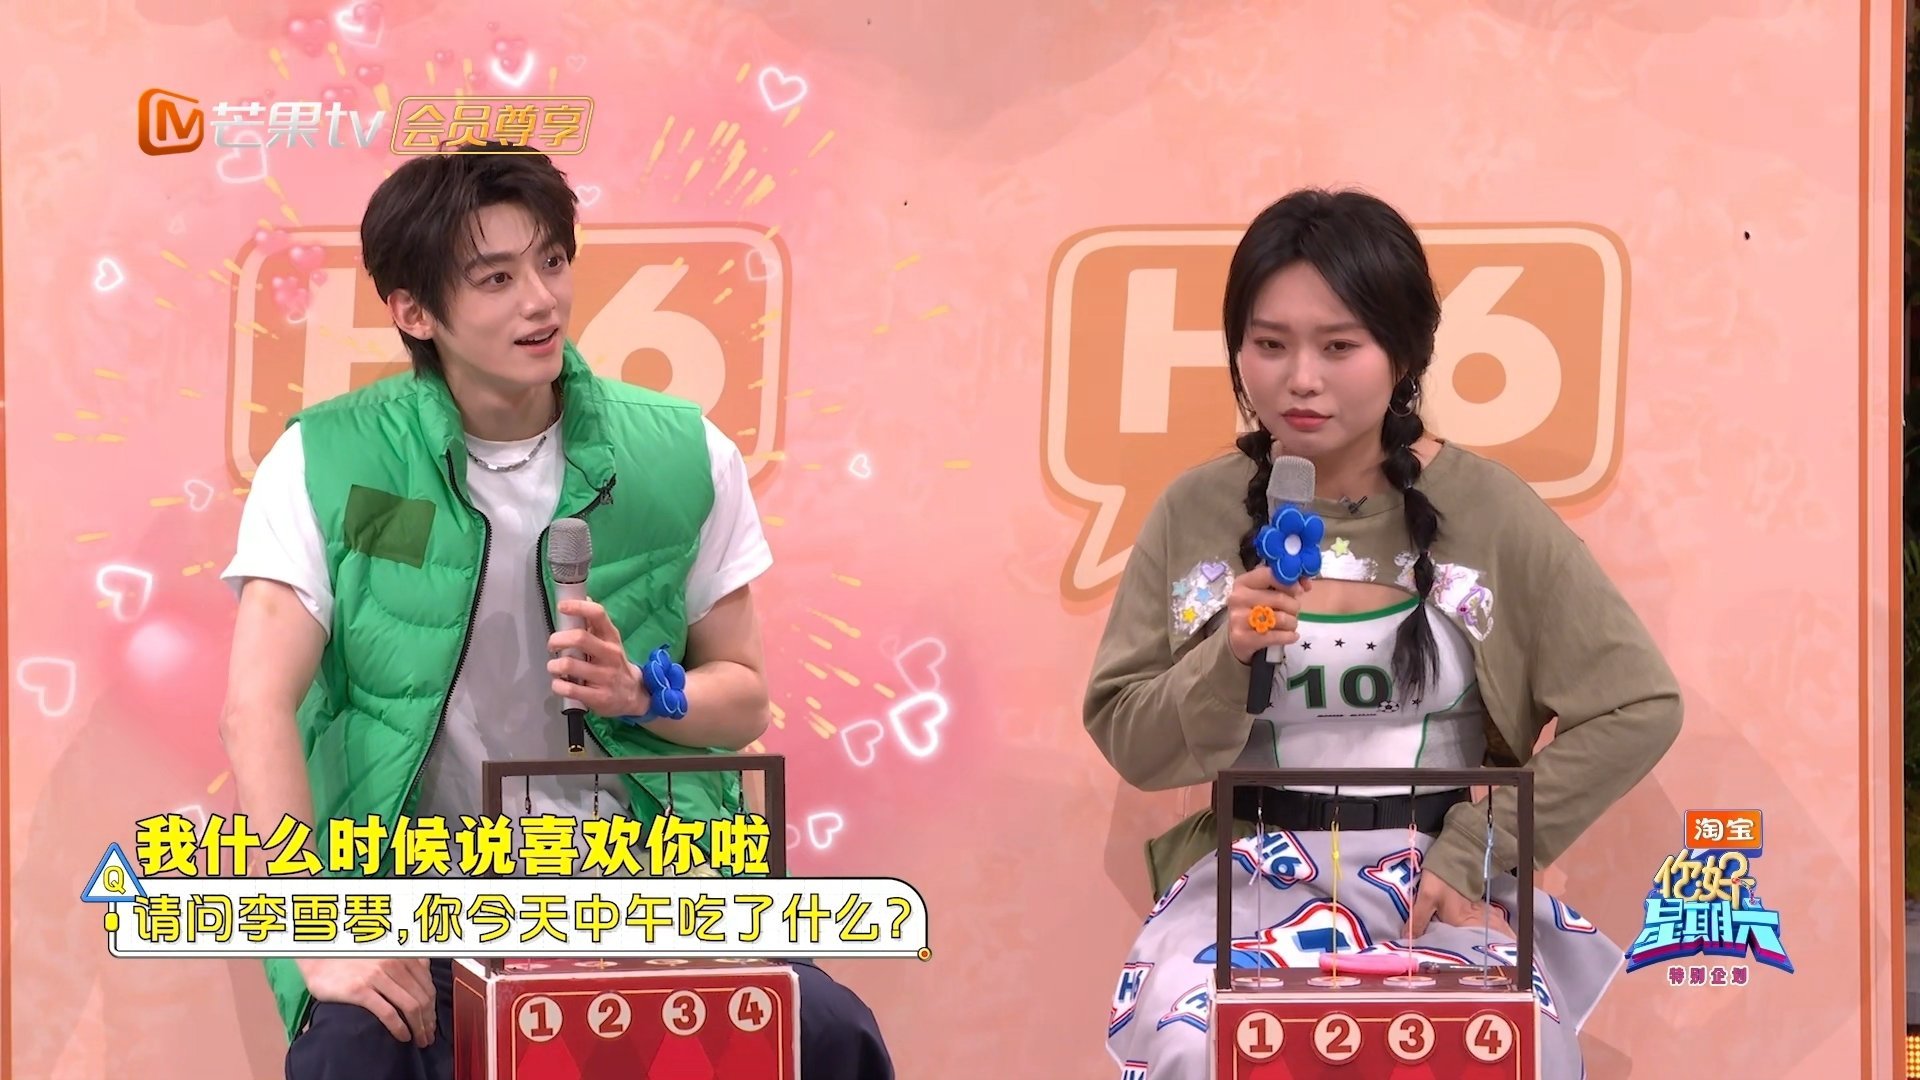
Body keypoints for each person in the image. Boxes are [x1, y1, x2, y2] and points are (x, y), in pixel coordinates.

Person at [218, 143, 894, 1080]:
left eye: (551, 262)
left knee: (828, 1033)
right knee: (354, 1057)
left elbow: (743, 696)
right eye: (496, 278)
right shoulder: (331, 463)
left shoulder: (679, 453)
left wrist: (644, 692)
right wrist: (316, 929)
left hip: (652, 885)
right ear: (414, 311)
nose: (541, 301)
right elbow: (255, 706)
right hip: (431, 896)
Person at [1085, 188, 1682, 1078]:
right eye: (1269, 344)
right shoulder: (1195, 511)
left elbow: (1639, 703)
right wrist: (1227, 659)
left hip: (1433, 889)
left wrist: (1478, 848)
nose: (1301, 379)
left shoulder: (1488, 510)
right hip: (1249, 887)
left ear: (1403, 352)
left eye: (1339, 346)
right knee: (1196, 1045)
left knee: (1512, 1049)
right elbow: (1131, 737)